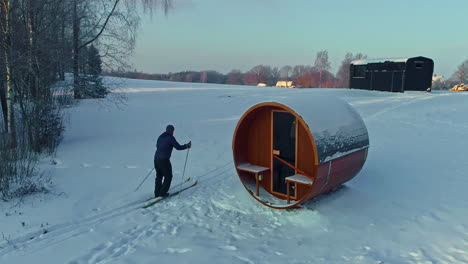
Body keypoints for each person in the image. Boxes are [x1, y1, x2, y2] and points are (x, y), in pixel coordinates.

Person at [154, 125, 191, 198]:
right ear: (172, 131)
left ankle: (157, 193)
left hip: (156, 159)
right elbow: (178, 147)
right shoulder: (170, 137)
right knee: (168, 176)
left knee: (159, 176)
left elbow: (157, 146)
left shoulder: (160, 136)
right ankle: (163, 193)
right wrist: (187, 146)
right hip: (164, 160)